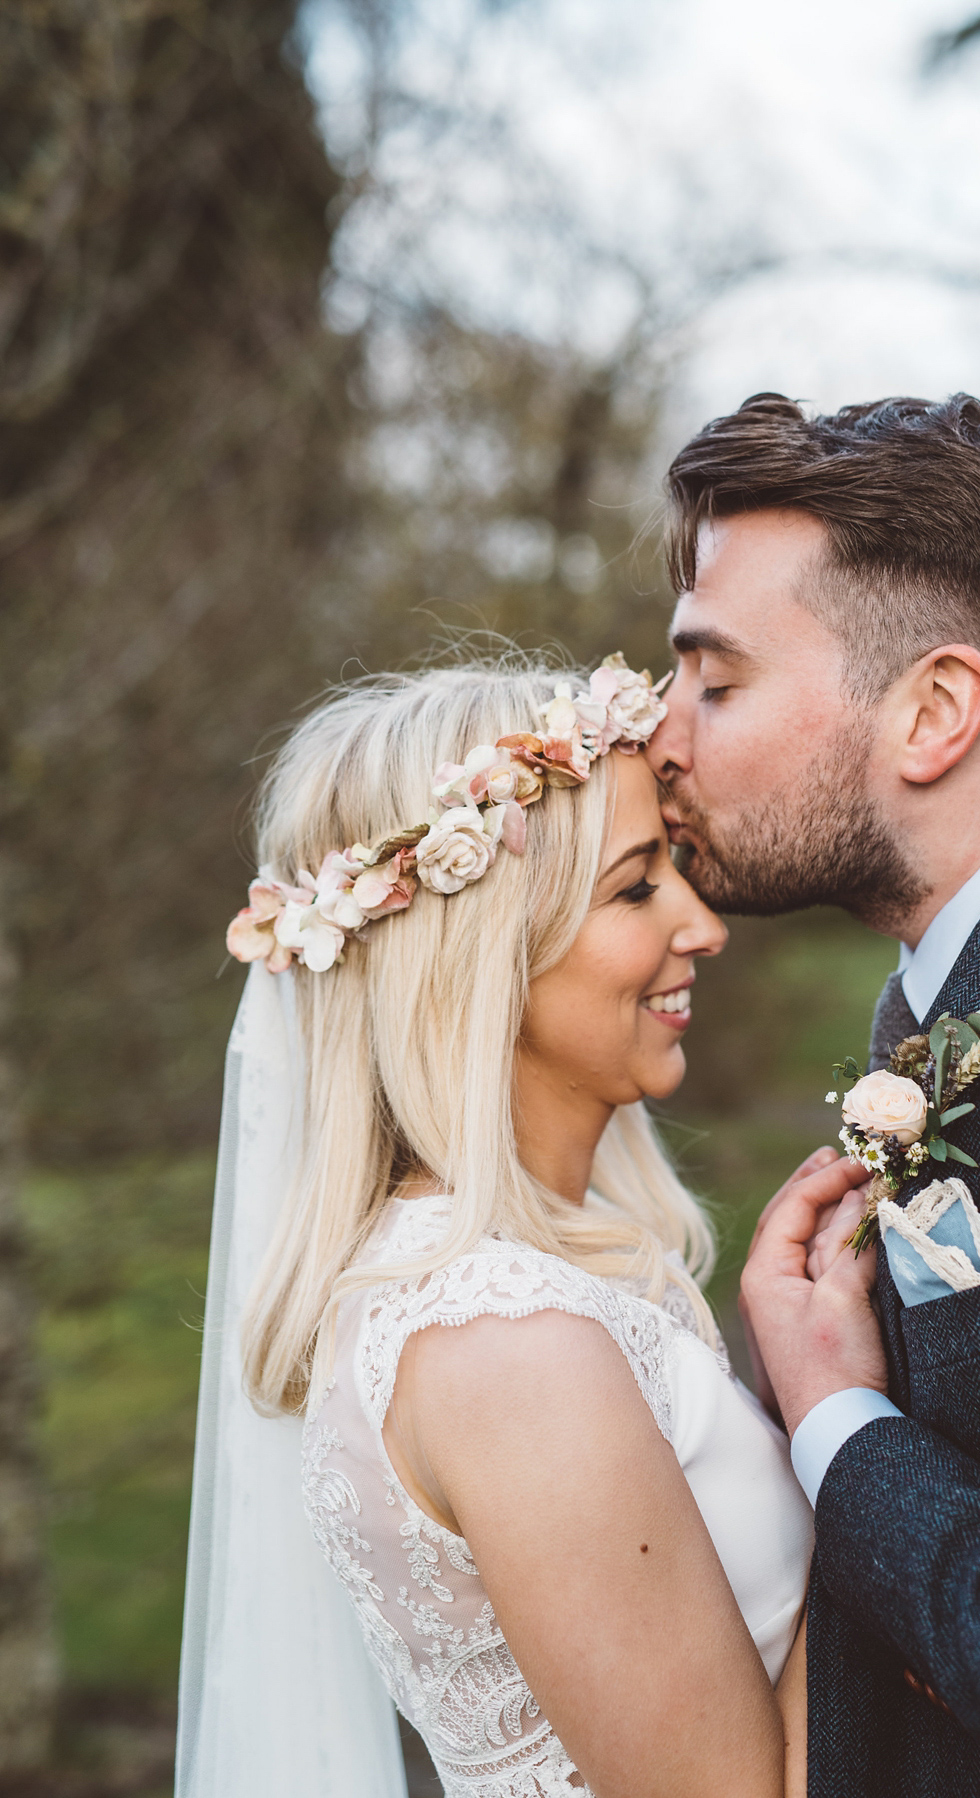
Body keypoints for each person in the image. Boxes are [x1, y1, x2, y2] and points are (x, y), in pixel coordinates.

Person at [649, 391, 980, 1797]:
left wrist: (843, 1423)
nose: (659, 738)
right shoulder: (966, 983)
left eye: (715, 682)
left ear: (936, 710)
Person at [178, 658, 835, 1798]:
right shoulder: (502, 1348)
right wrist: (873, 1445)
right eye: (637, 887)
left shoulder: (531, 1283)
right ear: (486, 955)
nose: (702, 923)